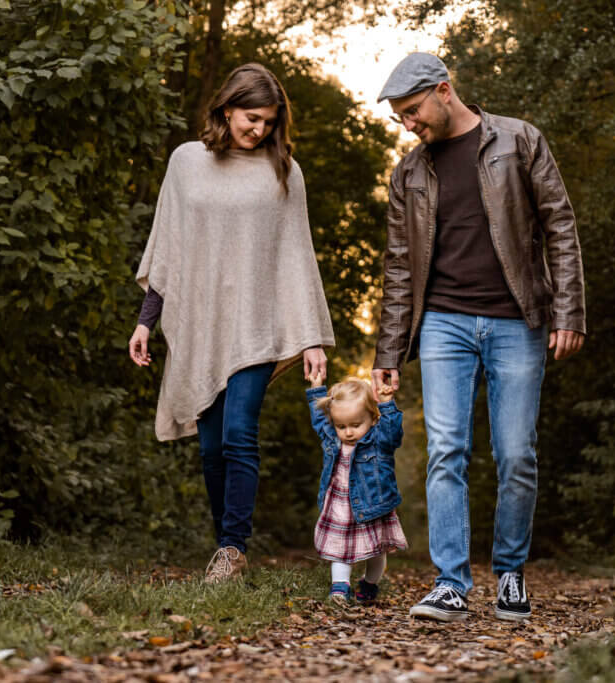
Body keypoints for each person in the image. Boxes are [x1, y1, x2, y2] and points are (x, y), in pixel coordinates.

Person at [371, 53, 586, 622]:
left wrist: (569, 311)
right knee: (446, 450)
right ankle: (451, 584)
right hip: (442, 321)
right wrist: (388, 351)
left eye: (412, 111)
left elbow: (559, 225)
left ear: (445, 91)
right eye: (400, 117)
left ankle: (510, 575)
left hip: (519, 319)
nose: (407, 124)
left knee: (516, 454)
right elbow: (398, 265)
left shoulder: (519, 141)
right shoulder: (408, 174)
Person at [129, 63, 335, 584]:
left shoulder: (284, 172)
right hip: (200, 323)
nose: (259, 130)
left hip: (256, 324)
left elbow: (296, 257)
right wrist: (145, 323)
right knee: (210, 444)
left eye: (268, 121)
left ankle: (232, 548)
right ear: (225, 109)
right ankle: (228, 549)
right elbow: (168, 245)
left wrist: (311, 336)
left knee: (241, 432)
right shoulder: (186, 162)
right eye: (251, 118)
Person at [306, 373, 408, 604]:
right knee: (339, 548)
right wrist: (316, 388)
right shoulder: (332, 438)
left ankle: (369, 584)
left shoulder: (379, 440)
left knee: (376, 551)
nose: (348, 432)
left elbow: (393, 432)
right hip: (339, 507)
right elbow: (320, 420)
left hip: (372, 505)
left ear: (372, 419)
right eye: (341, 426)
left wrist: (386, 403)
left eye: (355, 425)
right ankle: (339, 588)